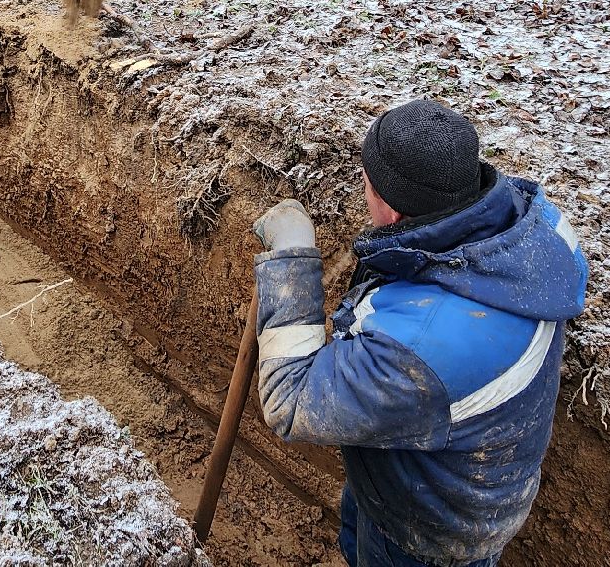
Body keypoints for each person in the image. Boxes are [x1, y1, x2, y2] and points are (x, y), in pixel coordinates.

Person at [250, 100, 589, 567]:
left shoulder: (418, 349)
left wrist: (291, 258)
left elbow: (291, 401)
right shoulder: (527, 234)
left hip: (428, 531)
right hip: (440, 471)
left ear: (389, 209)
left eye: (366, 185)